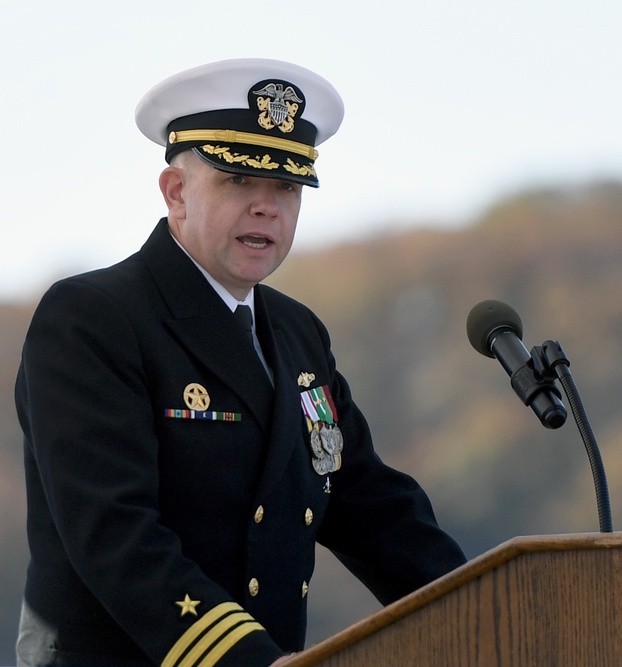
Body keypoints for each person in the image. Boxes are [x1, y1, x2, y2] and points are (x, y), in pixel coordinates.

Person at [14, 58, 467, 667]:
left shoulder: (298, 332)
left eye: (285, 187)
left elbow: (372, 509)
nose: (266, 208)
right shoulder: (93, 318)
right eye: (237, 181)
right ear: (176, 192)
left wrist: (499, 606)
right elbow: (116, 536)